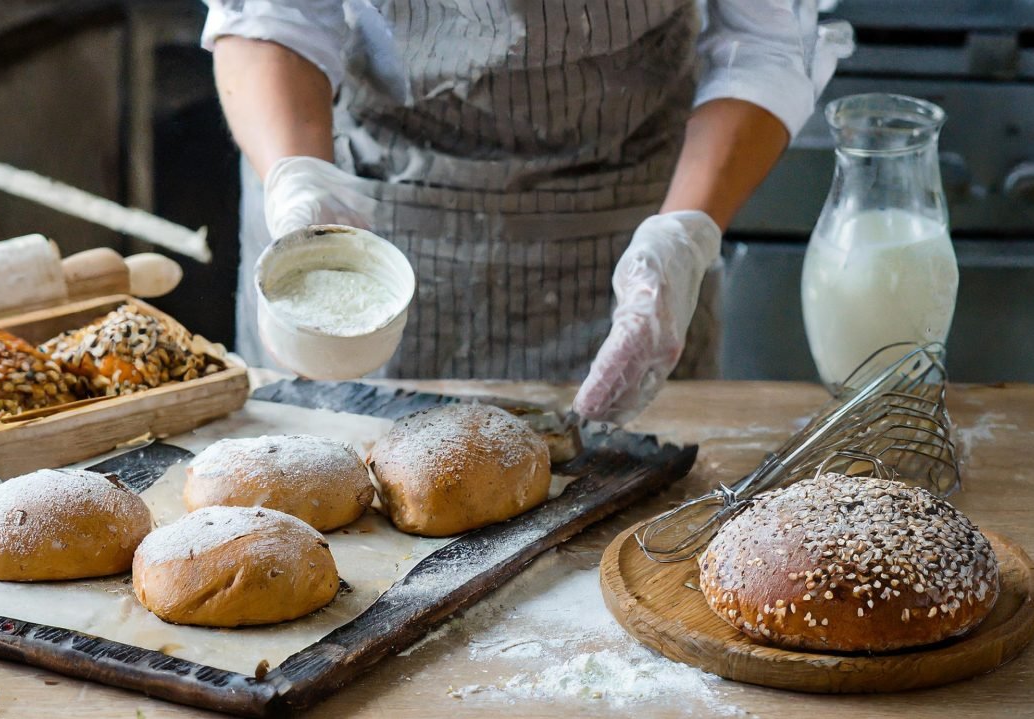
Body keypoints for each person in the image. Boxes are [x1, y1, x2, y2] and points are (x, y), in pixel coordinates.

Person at [204, 0, 849, 422]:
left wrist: (684, 234)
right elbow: (272, 13)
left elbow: (766, 40)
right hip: (371, 201)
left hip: (629, 222)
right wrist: (299, 179)